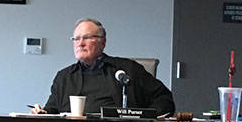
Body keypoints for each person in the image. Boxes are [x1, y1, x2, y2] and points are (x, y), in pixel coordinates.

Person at [34, 18, 173, 115]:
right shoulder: (64, 77)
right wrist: (41, 113)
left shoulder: (127, 69)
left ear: (102, 42)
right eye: (76, 38)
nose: (80, 43)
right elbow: (51, 111)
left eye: (87, 37)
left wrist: (145, 118)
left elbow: (164, 99)